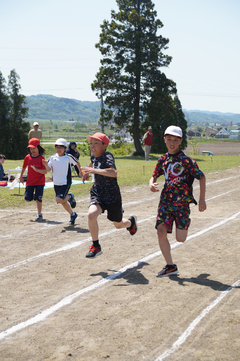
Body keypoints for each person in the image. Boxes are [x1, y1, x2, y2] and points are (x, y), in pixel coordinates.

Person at [149, 125, 206, 277]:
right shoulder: (163, 159)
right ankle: (170, 266)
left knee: (180, 239)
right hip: (165, 203)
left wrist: (201, 199)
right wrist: (151, 182)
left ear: (180, 141)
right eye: (169, 139)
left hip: (181, 205)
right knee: (161, 232)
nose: (172, 142)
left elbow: (202, 177)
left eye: (175, 140)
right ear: (164, 140)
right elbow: (154, 175)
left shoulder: (187, 161)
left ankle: (185, 223)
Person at [81, 132, 137, 259]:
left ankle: (131, 223)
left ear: (104, 146)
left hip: (112, 196)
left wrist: (93, 170)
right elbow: (92, 163)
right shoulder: (94, 157)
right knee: (91, 215)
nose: (92, 146)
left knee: (118, 225)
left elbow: (114, 172)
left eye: (96, 143)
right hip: (98, 192)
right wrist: (87, 172)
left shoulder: (108, 156)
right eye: (91, 143)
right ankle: (96, 246)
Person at [42, 138, 82, 226]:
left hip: (65, 182)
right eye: (57, 147)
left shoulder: (68, 157)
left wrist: (80, 171)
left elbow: (77, 162)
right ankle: (73, 214)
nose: (58, 149)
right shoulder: (52, 158)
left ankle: (70, 196)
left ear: (65, 148)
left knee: (59, 199)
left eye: (61, 147)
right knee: (63, 202)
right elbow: (49, 169)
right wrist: (45, 164)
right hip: (56, 183)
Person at [19, 138, 47, 221]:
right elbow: (24, 167)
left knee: (38, 200)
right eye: (31, 148)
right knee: (27, 199)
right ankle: (34, 195)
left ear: (38, 147)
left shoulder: (41, 158)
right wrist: (21, 177)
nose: (32, 150)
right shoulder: (27, 157)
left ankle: (39, 214)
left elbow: (45, 171)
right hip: (30, 182)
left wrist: (37, 170)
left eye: (34, 148)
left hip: (40, 182)